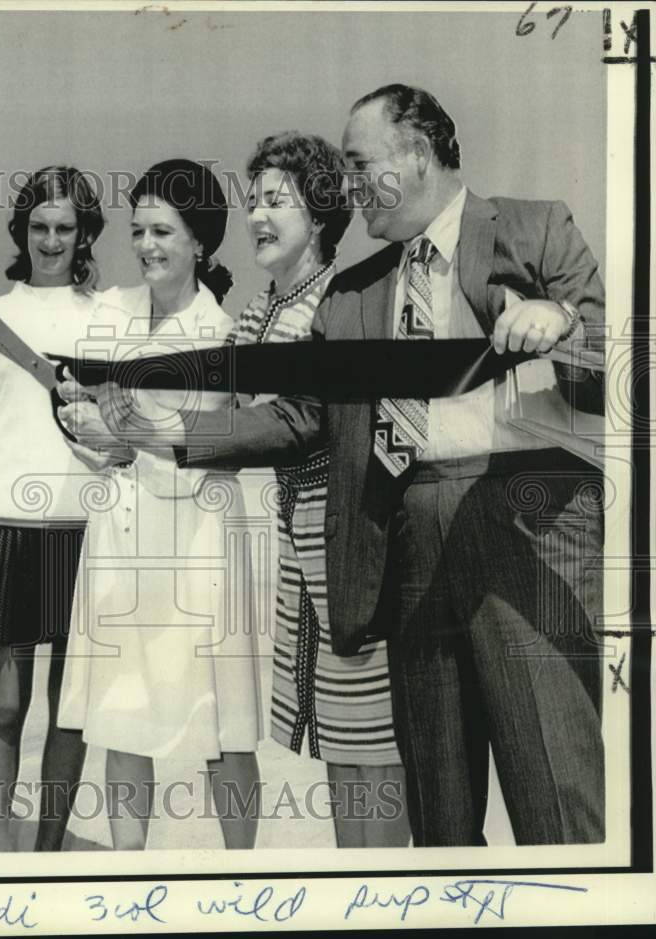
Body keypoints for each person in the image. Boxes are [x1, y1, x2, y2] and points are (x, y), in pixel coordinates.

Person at [101, 85, 606, 847]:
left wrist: (559, 319)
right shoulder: (355, 294)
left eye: (360, 162)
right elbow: (298, 415)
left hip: (520, 520)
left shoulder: (533, 225)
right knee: (439, 811)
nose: (348, 184)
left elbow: (607, 348)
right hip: (406, 542)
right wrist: (163, 435)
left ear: (418, 154)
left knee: (553, 798)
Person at [56, 159, 263, 850]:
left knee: (223, 724)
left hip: (198, 539)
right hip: (120, 535)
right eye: (139, 229)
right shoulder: (110, 310)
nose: (147, 245)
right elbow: (88, 422)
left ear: (200, 241)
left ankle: (245, 876)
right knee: (122, 713)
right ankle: (128, 872)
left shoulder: (223, 333)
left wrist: (137, 433)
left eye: (164, 231)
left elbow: (222, 441)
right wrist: (93, 434)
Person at [226, 131, 409, 847]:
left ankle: (387, 894)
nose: (257, 217)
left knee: (374, 743)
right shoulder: (254, 312)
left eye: (277, 200)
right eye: (252, 202)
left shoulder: (349, 297)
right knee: (337, 740)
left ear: (321, 213)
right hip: (296, 538)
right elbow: (228, 430)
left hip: (353, 534)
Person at [0, 165, 108, 852]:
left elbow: (118, 429)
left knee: (69, 712)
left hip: (83, 531)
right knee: (5, 704)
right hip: (3, 530)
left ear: (83, 234)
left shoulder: (108, 319)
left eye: (64, 227)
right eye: (39, 226)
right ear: (22, 230)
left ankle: (49, 855)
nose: (50, 240)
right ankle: (2, 859)